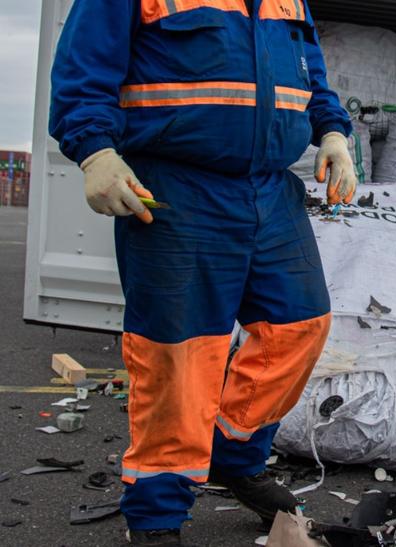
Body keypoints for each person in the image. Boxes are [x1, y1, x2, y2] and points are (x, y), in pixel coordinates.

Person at [49, 1, 356, 544]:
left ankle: (233, 456)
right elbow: (83, 66)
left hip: (270, 189)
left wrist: (333, 133)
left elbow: (310, 70)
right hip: (177, 185)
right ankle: (157, 511)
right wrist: (94, 150)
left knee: (300, 326)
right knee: (179, 356)